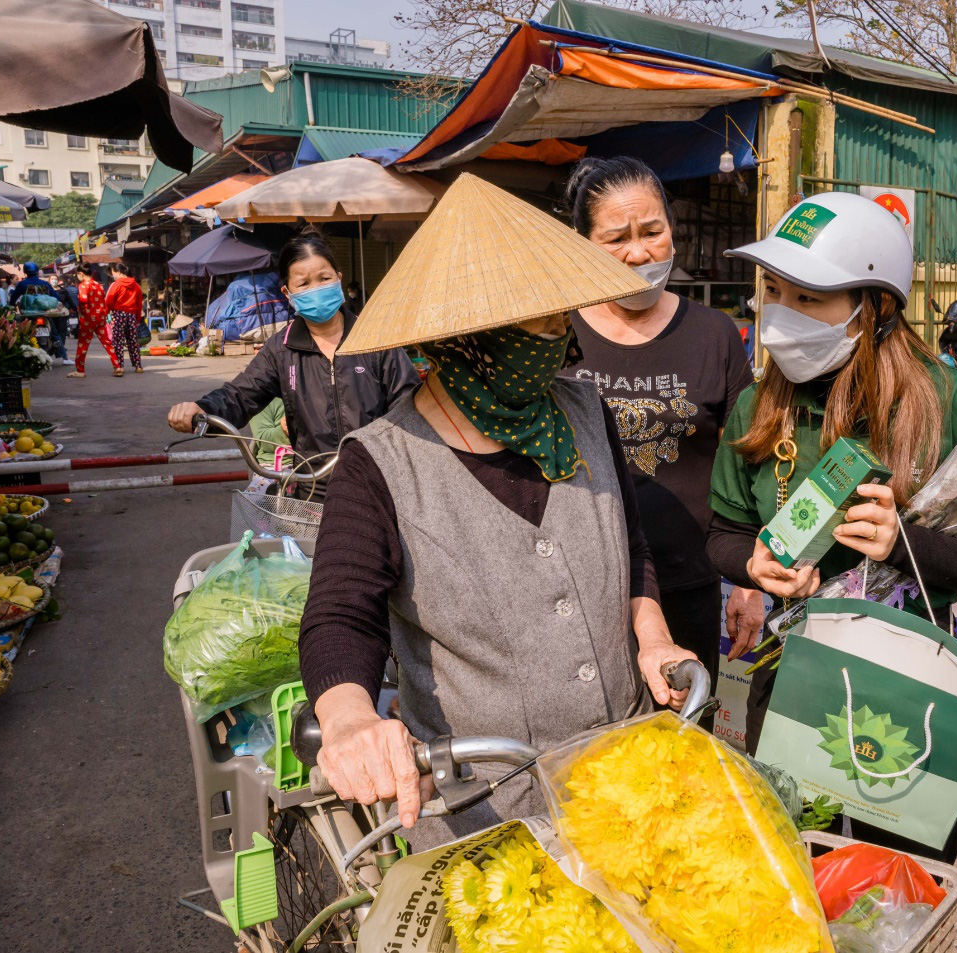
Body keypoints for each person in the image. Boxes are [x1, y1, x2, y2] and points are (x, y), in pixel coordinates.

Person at [297, 175, 698, 851]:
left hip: (627, 781)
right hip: (484, 814)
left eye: (559, 319)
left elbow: (628, 547)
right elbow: (340, 613)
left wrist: (651, 636)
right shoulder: (380, 462)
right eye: (539, 326)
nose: (560, 340)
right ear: (471, 338)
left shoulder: (583, 410)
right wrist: (347, 721)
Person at [706, 191, 957, 862]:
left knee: (900, 880)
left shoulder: (954, 402)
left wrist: (900, 543)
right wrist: (750, 565)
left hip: (907, 691)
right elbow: (724, 529)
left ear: (873, 307)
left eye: (808, 298)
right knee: (796, 870)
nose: (780, 316)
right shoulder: (757, 403)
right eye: (774, 291)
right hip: (787, 672)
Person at [560, 156, 767, 698]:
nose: (638, 252)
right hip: (582, 590)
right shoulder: (556, 332)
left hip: (690, 581)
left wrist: (746, 579)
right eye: (616, 238)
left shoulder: (714, 334)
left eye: (653, 232)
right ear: (584, 244)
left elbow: (746, 458)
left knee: (681, 741)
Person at [166, 231, 420, 496]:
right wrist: (201, 409)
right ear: (287, 292)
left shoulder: (375, 339)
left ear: (339, 279)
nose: (317, 289)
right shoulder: (281, 349)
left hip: (379, 484)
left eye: (324, 279)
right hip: (314, 489)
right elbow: (240, 394)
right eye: (304, 283)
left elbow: (409, 401)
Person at [68, 264, 120, 379]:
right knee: (107, 342)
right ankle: (117, 366)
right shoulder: (98, 285)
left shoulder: (83, 285)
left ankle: (80, 371)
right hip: (100, 318)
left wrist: (81, 311)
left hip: (88, 319)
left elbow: (83, 300)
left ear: (81, 274)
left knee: (83, 345)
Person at [104, 262, 145, 374]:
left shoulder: (116, 285)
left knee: (118, 342)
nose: (113, 276)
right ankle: (138, 366)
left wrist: (104, 315)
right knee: (133, 342)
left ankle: (119, 367)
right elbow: (139, 304)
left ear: (118, 272)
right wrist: (137, 319)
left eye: (113, 274)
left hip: (119, 315)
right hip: (131, 316)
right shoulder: (136, 285)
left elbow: (108, 302)